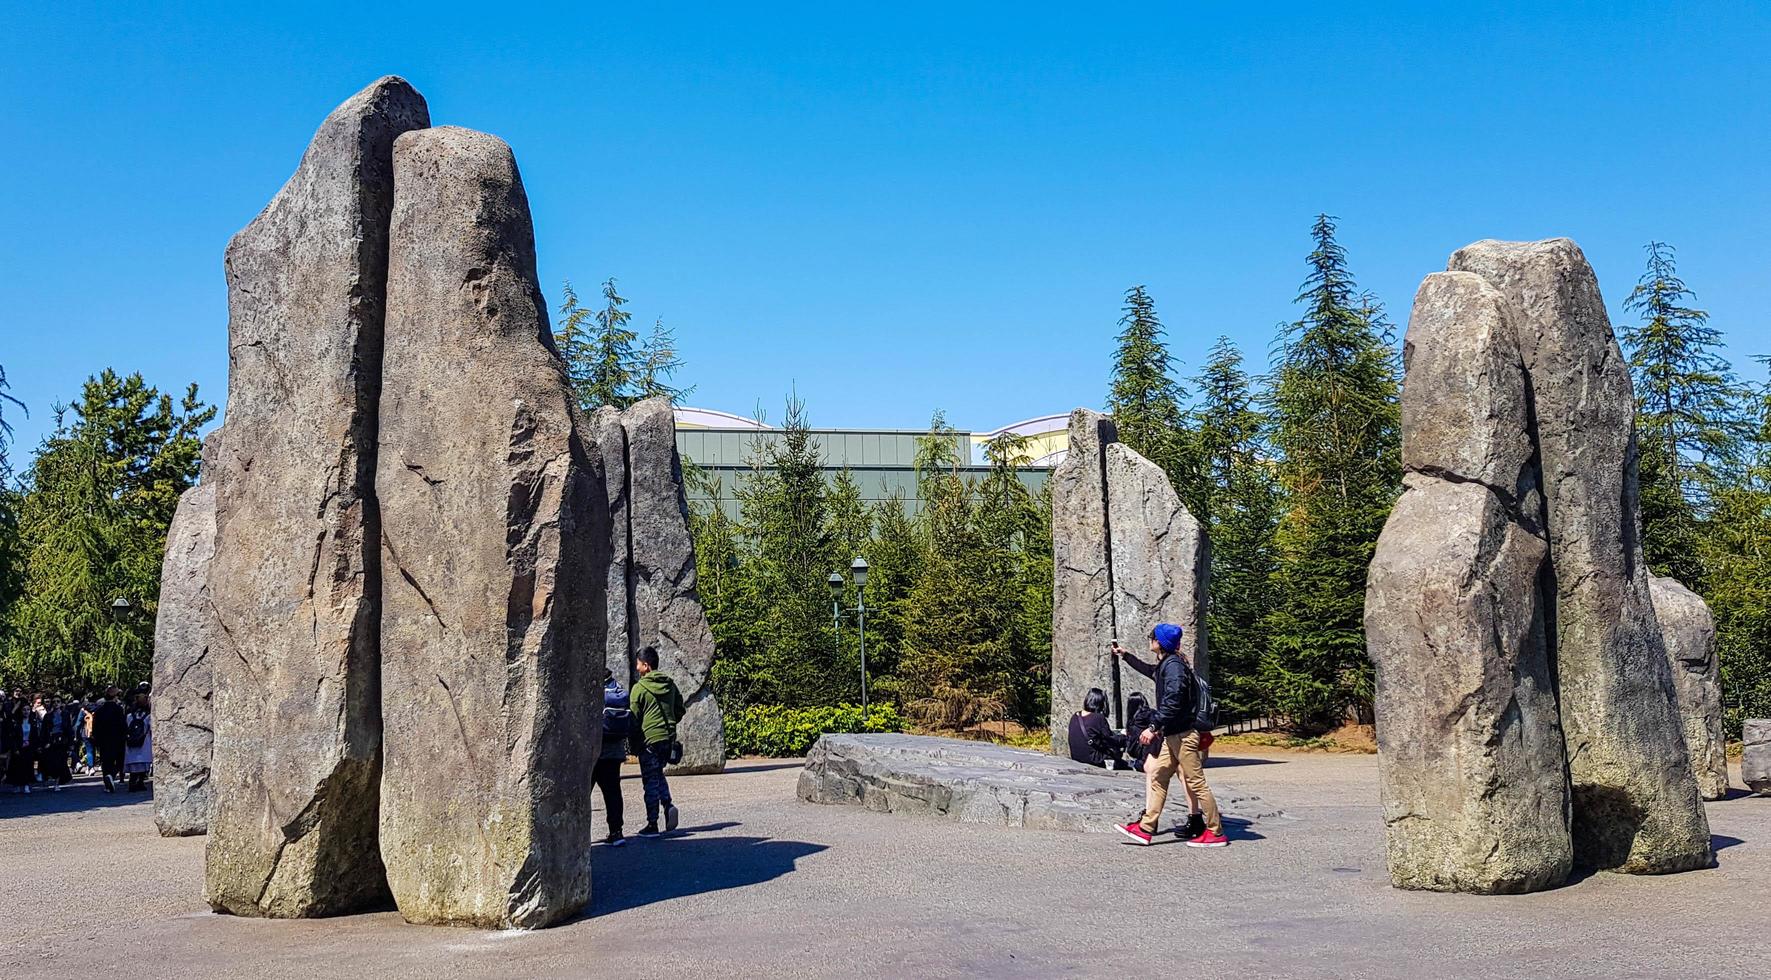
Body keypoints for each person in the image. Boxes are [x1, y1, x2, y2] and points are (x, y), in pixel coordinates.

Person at [1112, 625, 1228, 847]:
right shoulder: (1168, 664)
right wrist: (1125, 655)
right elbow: (1149, 671)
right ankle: (1146, 828)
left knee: (1196, 783)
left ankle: (1215, 831)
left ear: (1160, 643)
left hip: (1183, 736)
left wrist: (1153, 727)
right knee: (1157, 774)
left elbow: (1173, 702)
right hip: (1173, 735)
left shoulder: (1174, 667)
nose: (1150, 640)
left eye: (1152, 637)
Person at [629, 646, 682, 837]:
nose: (636, 668)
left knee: (650, 781)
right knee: (658, 773)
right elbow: (680, 708)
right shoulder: (670, 684)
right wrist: (669, 721)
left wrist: (632, 741)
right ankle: (668, 805)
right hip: (668, 738)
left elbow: (634, 717)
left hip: (649, 739)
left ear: (646, 665)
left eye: (638, 664)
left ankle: (652, 824)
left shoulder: (639, 688)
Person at [593, 669, 633, 846]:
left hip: (595, 751)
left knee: (583, 793)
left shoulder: (594, 691)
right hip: (615, 752)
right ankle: (616, 832)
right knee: (613, 793)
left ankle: (579, 834)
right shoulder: (618, 689)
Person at [1066, 687, 1126, 769]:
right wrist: (1124, 736)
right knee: (1124, 764)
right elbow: (1110, 739)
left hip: (1076, 757)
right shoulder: (1098, 718)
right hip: (1093, 759)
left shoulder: (1075, 716)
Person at [91, 687, 127, 793]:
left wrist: (96, 740)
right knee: (119, 761)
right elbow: (123, 725)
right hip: (117, 739)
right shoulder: (118, 709)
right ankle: (111, 775)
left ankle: (107, 783)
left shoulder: (99, 711)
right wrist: (125, 735)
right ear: (115, 697)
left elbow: (95, 727)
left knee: (105, 761)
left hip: (103, 740)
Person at [3, 701, 36, 794]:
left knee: (27, 766)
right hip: (18, 747)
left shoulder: (32, 722)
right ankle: (17, 785)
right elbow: (13, 737)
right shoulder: (17, 723)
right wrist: (15, 748)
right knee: (17, 766)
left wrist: (33, 746)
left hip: (28, 747)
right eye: (24, 710)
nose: (26, 712)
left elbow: (34, 736)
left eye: (28, 710)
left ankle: (26, 785)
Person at [123, 692, 153, 791]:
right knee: (142, 764)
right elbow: (151, 728)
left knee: (133, 766)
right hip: (144, 743)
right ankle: (140, 782)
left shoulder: (129, 716)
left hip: (131, 743)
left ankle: (132, 782)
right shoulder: (148, 716)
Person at [1123, 691, 1155, 773]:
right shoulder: (1152, 714)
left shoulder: (1133, 722)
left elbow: (1131, 748)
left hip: (1141, 758)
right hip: (1153, 754)